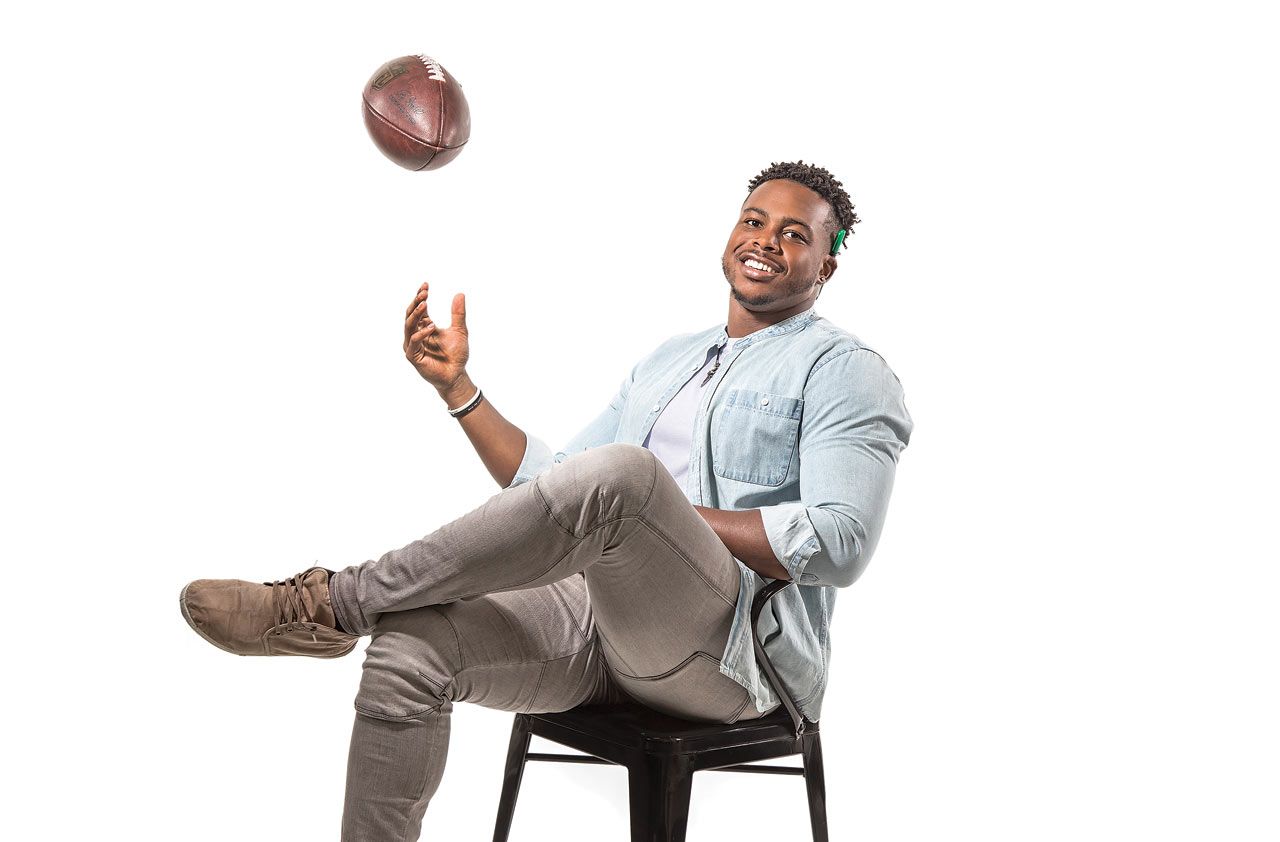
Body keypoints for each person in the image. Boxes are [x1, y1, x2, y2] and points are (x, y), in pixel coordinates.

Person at [179, 160, 914, 840]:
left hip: (733, 659)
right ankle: (354, 616)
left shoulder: (846, 371)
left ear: (827, 263)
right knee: (410, 650)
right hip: (599, 624)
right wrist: (459, 392)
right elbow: (558, 487)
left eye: (795, 234)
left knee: (625, 478)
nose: (766, 241)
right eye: (754, 220)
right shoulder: (669, 362)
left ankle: (333, 603)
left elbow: (838, 542)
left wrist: (657, 517)